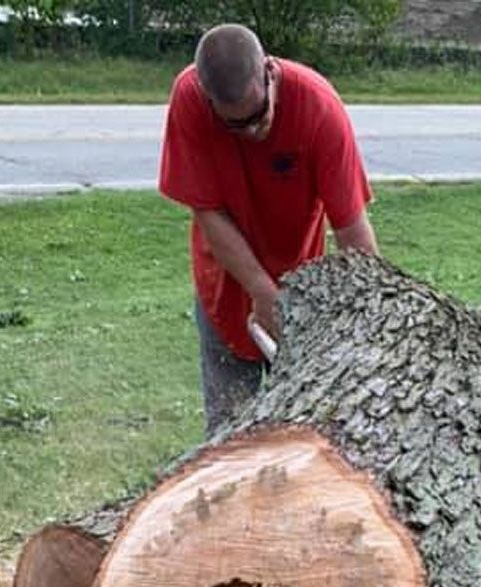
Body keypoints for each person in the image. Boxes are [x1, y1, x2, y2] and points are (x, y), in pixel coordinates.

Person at [158, 23, 379, 435]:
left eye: (259, 115)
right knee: (228, 435)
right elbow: (208, 213)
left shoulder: (319, 109)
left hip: (301, 289)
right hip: (223, 287)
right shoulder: (189, 99)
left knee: (300, 430)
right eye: (235, 126)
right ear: (209, 101)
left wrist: (370, 319)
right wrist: (261, 291)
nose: (252, 131)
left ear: (270, 73)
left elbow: (351, 230)